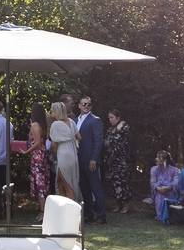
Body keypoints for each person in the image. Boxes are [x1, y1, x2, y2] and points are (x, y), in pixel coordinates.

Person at [76, 95, 107, 224]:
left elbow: (98, 141)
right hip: (79, 158)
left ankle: (101, 216)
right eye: (84, 104)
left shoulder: (95, 120)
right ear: (79, 105)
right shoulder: (75, 120)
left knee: (96, 188)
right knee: (84, 189)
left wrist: (94, 158)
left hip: (90, 160)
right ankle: (89, 214)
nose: (86, 106)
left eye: (88, 104)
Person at [22, 103, 50, 220]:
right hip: (43, 155)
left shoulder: (34, 125)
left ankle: (43, 211)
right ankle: (43, 209)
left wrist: (26, 151)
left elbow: (37, 142)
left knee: (40, 184)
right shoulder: (44, 124)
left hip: (37, 156)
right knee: (43, 182)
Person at [49, 101, 80, 202]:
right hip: (72, 153)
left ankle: (71, 208)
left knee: (66, 183)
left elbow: (54, 144)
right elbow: (79, 137)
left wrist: (53, 154)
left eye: (52, 111)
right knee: (62, 181)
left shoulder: (55, 125)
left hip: (63, 154)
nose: (51, 113)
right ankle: (64, 207)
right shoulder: (71, 121)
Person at [104, 108, 133, 213]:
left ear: (118, 118)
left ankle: (126, 205)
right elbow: (106, 143)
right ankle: (117, 204)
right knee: (114, 183)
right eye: (109, 118)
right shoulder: (109, 129)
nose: (110, 120)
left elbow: (122, 143)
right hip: (112, 161)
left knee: (123, 182)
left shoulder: (124, 128)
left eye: (112, 117)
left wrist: (113, 148)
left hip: (122, 160)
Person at [150, 150, 180, 223]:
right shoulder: (154, 169)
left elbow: (176, 182)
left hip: (170, 191)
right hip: (159, 192)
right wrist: (158, 188)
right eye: (157, 157)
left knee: (169, 197)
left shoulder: (175, 170)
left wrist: (168, 187)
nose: (156, 159)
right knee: (160, 197)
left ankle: (170, 215)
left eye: (159, 157)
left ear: (165, 160)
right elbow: (153, 182)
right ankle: (161, 215)